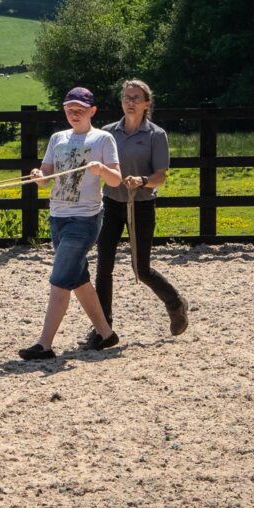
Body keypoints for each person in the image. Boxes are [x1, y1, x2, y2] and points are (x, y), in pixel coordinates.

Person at [18, 87, 123, 360]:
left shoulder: (103, 139)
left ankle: (44, 344)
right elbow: (46, 176)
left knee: (60, 279)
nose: (74, 114)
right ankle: (105, 333)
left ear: (92, 111)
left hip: (85, 218)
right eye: (69, 110)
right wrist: (38, 175)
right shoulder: (57, 138)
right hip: (58, 217)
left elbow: (116, 180)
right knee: (77, 278)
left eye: (79, 109)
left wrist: (103, 170)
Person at [89, 79, 189, 347]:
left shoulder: (156, 135)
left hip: (141, 205)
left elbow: (160, 176)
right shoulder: (108, 134)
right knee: (103, 266)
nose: (130, 101)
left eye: (136, 97)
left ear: (147, 103)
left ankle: (175, 303)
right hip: (111, 203)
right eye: (126, 97)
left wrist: (143, 181)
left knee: (141, 268)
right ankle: (103, 326)